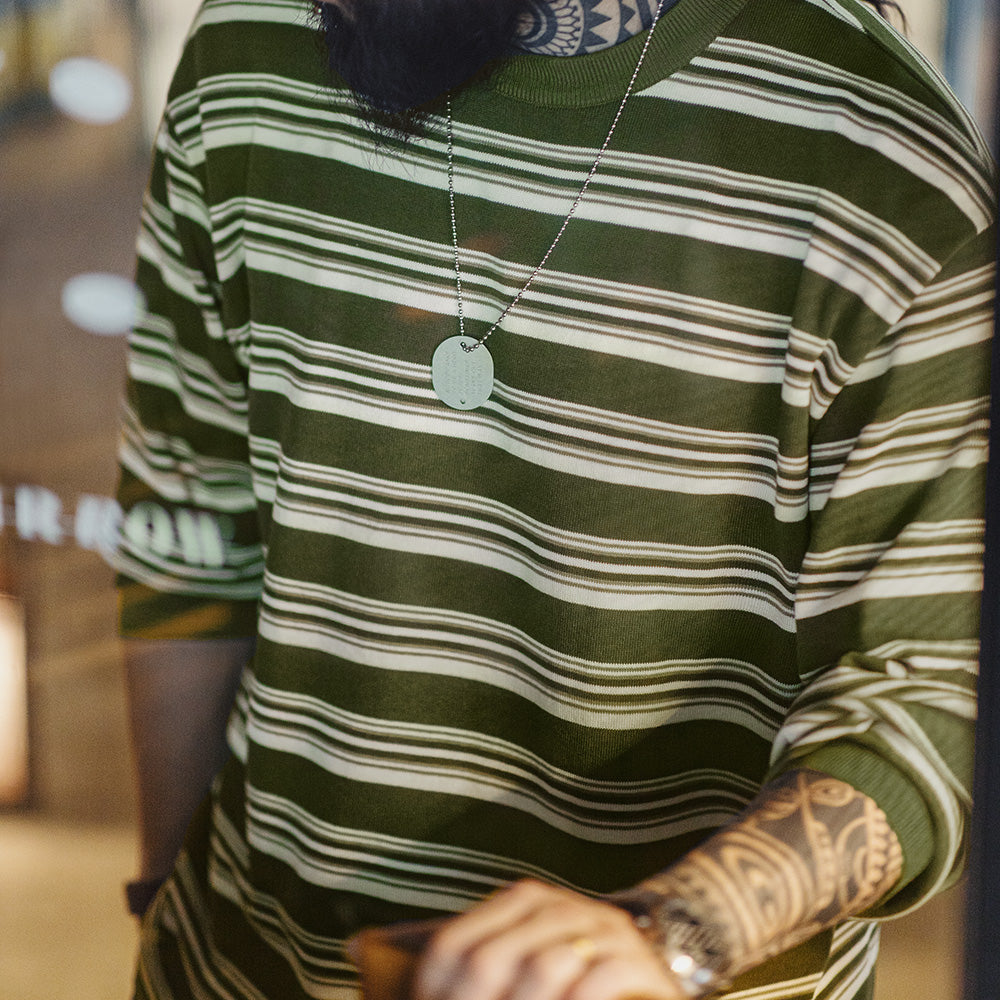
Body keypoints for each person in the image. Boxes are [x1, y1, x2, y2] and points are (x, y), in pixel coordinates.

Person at [116, 0, 996, 998]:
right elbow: (187, 525)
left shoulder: (885, 161)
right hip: (238, 964)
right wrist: (161, 907)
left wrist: (676, 932)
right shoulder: (247, 48)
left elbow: (928, 695)